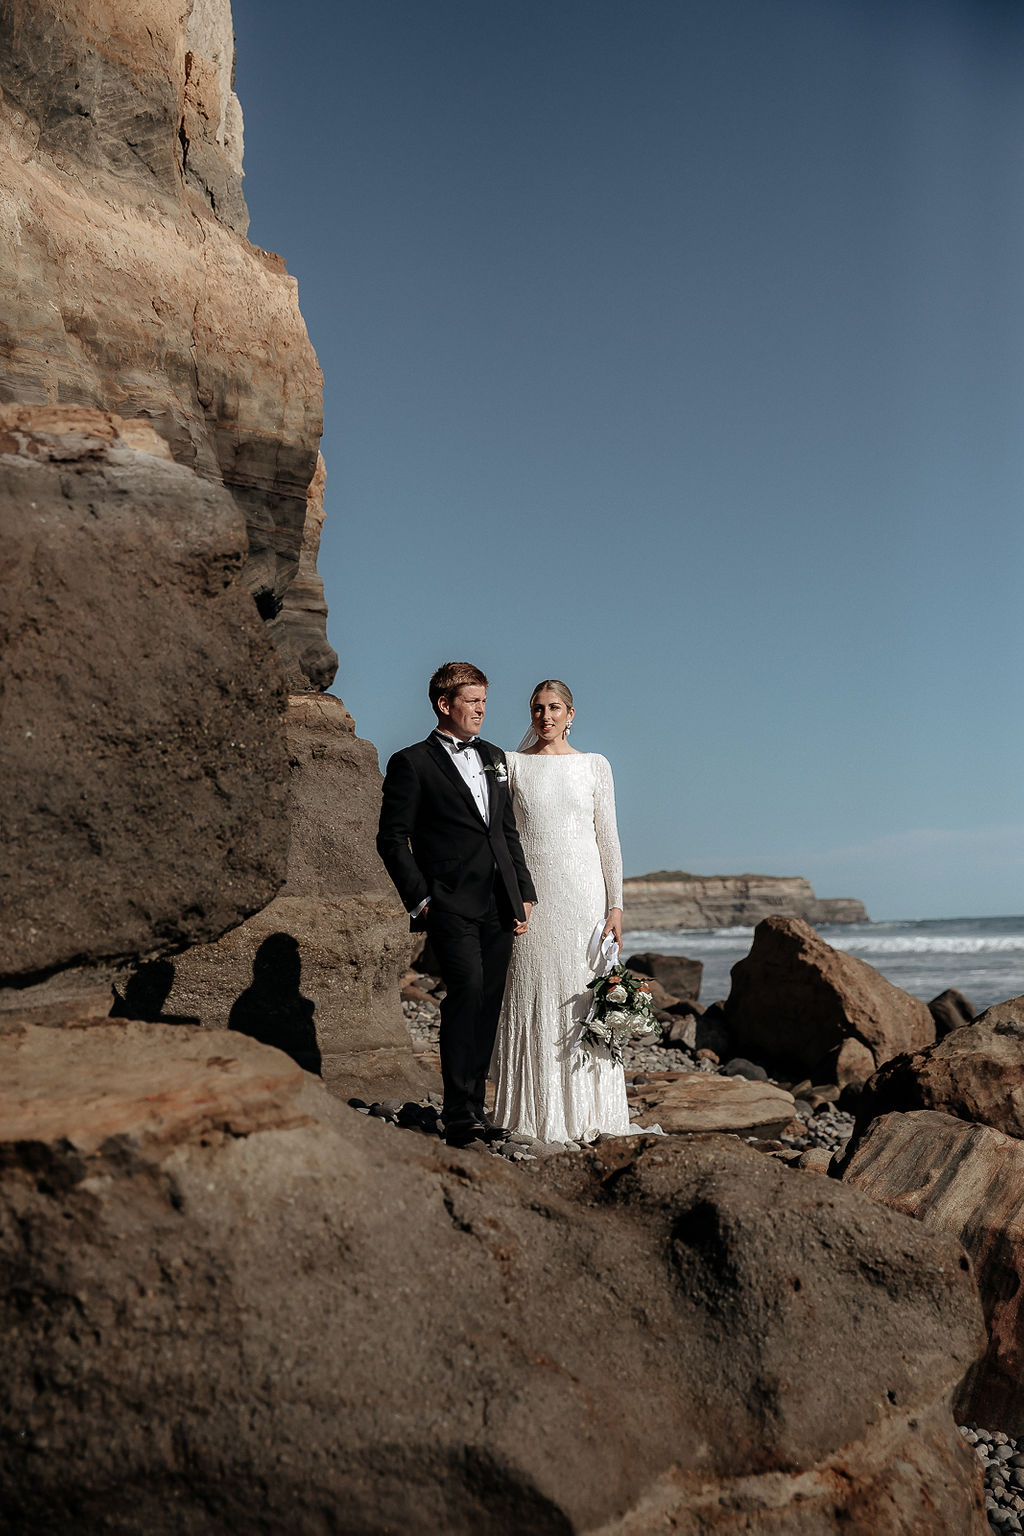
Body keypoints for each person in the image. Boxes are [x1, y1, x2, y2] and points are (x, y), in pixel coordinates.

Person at [376, 662, 538, 1148]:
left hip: (500, 902)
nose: (482, 711)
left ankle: (475, 1106)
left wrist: (523, 891)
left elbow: (505, 831)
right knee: (465, 993)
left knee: (488, 1003)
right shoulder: (412, 763)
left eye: (485, 702)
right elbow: (391, 838)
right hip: (449, 902)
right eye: (472, 702)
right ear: (445, 705)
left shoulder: (494, 757)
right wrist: (422, 899)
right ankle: (456, 1112)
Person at [491, 679, 630, 1143]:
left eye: (554, 708)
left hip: (585, 900)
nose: (545, 716)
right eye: (537, 708)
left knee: (582, 994)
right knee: (532, 988)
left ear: (571, 714)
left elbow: (608, 840)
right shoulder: (512, 766)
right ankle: (532, 1115)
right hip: (534, 900)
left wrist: (616, 905)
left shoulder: (595, 765)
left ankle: (594, 1116)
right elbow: (500, 839)